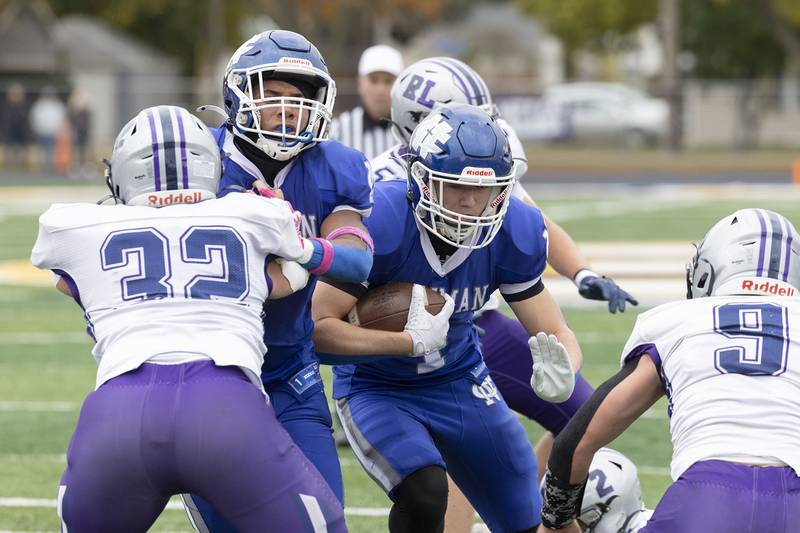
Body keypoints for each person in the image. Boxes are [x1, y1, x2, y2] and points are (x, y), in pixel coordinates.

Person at [30, 105, 346, 532]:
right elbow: (291, 272)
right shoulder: (252, 214)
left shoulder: (75, 226)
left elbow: (67, 282)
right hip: (225, 410)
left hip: (119, 416)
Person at [313, 104, 581, 533]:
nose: (471, 202)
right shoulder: (380, 220)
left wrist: (566, 364)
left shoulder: (513, 230)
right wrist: (403, 341)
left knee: (524, 511)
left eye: (484, 189)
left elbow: (554, 330)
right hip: (377, 386)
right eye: (455, 186)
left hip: (459, 379)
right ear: (421, 180)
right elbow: (318, 329)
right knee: (425, 489)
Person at [184, 30, 374, 530]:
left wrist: (299, 245)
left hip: (289, 368)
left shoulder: (335, 166)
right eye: (272, 97)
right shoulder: (197, 160)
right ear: (241, 94)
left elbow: (356, 263)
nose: (286, 111)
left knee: (325, 521)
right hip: (208, 371)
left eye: (297, 100)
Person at [538, 208, 800, 533]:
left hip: (706, 499)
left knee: (610, 488)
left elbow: (574, 445)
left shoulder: (677, 322)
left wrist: (556, 521)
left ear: (708, 269)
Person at [331, 44, 404, 159]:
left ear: (401, 86)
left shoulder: (411, 131)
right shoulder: (338, 130)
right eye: (373, 80)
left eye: (388, 81)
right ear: (360, 83)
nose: (380, 90)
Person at [29, 86, 66, 172]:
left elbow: (61, 119)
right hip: (42, 132)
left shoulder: (58, 106)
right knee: (42, 151)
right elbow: (34, 119)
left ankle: (51, 168)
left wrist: (58, 130)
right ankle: (43, 168)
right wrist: (38, 130)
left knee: (52, 151)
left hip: (53, 133)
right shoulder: (39, 106)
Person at [1, 82, 29, 169]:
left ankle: (19, 167)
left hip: (21, 132)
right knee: (9, 150)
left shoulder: (24, 106)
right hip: (9, 131)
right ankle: (9, 167)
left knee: (20, 151)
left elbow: (25, 120)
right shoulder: (6, 106)